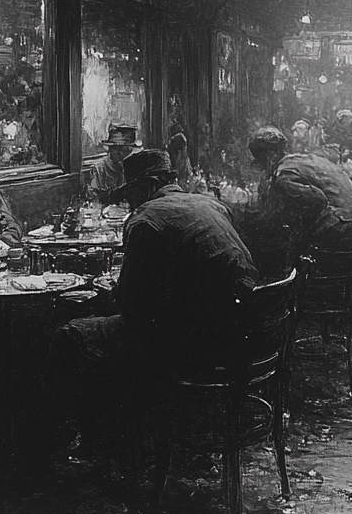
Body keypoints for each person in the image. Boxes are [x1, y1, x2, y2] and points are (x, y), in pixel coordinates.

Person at [47, 150, 259, 449]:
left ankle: (89, 443)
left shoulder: (146, 218)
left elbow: (133, 306)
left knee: (70, 336)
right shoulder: (211, 204)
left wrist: (110, 290)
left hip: (195, 343)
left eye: (131, 192)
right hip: (243, 331)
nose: (129, 201)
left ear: (146, 187)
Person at [248, 127, 352, 256]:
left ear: (270, 155)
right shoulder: (310, 159)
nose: (262, 168)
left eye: (260, 161)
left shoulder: (284, 176)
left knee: (287, 249)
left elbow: (318, 201)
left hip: (344, 229)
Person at [87, 124, 138, 203]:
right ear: (109, 149)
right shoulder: (100, 167)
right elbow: (93, 195)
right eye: (115, 148)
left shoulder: (135, 166)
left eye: (122, 149)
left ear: (129, 150)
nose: (119, 153)